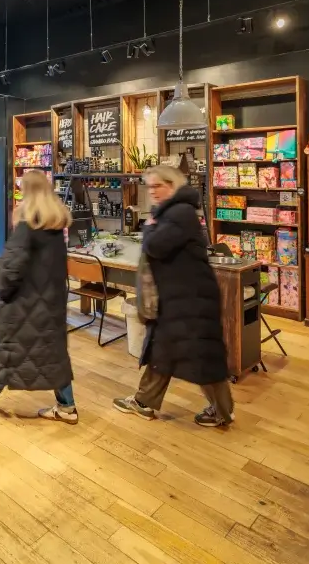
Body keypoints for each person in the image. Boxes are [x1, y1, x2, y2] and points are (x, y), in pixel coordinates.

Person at [112, 164, 234, 427]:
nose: (153, 191)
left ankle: (223, 410)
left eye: (158, 186)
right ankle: (144, 402)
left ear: (172, 185)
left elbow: (155, 245)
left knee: (201, 357)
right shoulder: (172, 212)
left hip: (191, 300)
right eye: (150, 186)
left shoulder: (178, 213)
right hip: (180, 296)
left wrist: (149, 227)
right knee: (162, 351)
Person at [0, 170, 78, 423]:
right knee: (53, 354)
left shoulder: (27, 226)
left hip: (24, 301)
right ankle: (67, 407)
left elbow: (11, 267)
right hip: (51, 302)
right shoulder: (56, 226)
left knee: (8, 350)